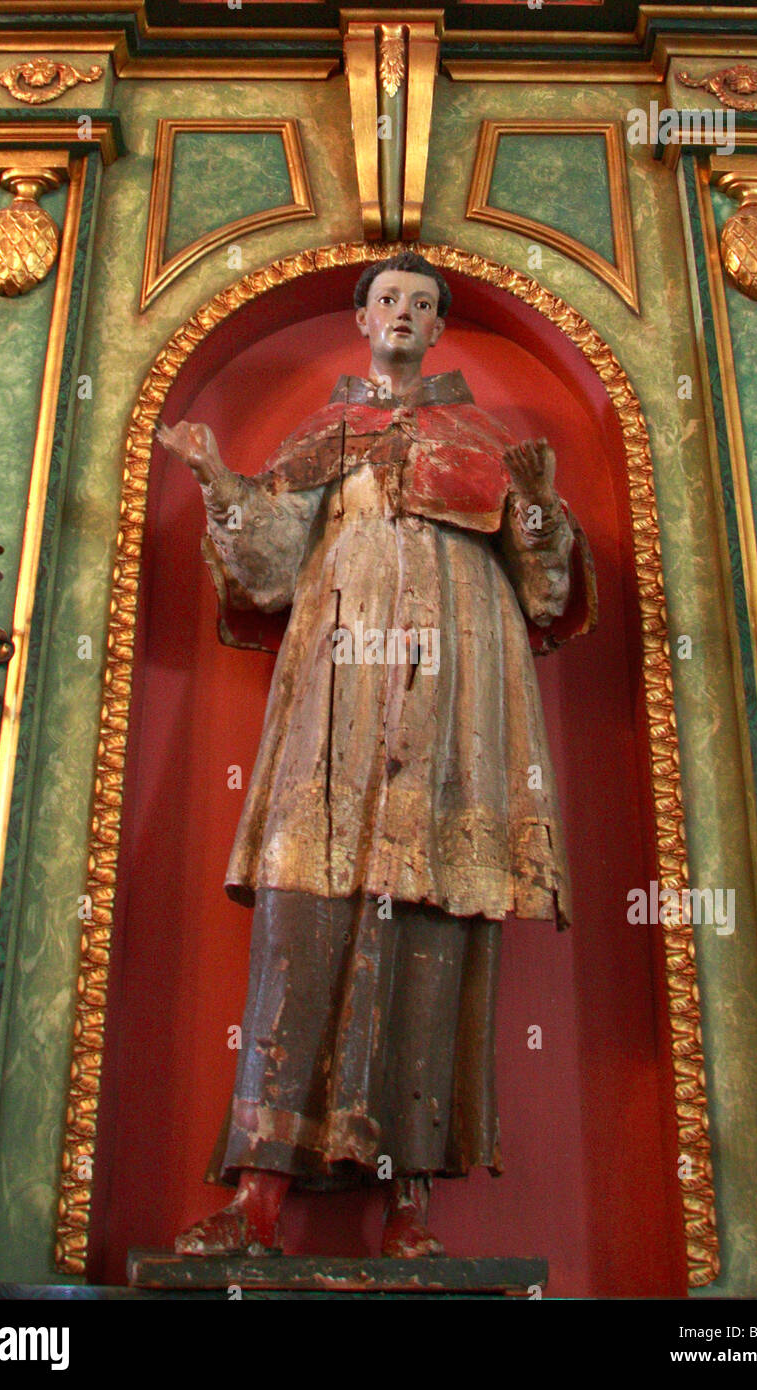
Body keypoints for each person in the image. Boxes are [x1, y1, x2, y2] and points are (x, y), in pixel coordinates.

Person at [156, 250, 595, 1258]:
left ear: (439, 328)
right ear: (362, 318)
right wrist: (225, 485)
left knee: (435, 921)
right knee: (298, 918)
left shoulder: (488, 439)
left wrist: (531, 509)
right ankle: (257, 1199)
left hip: (456, 707)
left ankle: (412, 1210)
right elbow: (265, 573)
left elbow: (540, 588)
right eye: (388, 298)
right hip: (336, 696)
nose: (404, 313)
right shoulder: (323, 434)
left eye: (423, 304)